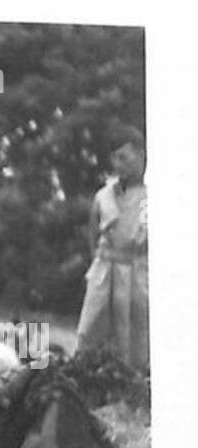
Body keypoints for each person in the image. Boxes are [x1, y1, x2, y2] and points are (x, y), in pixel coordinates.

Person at [75, 124, 148, 374]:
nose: (118, 164)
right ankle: (81, 379)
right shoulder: (104, 195)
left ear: (141, 155)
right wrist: (97, 262)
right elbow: (92, 231)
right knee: (89, 330)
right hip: (105, 270)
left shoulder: (153, 194)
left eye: (124, 157)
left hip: (138, 271)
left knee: (135, 337)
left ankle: (134, 386)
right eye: (114, 158)